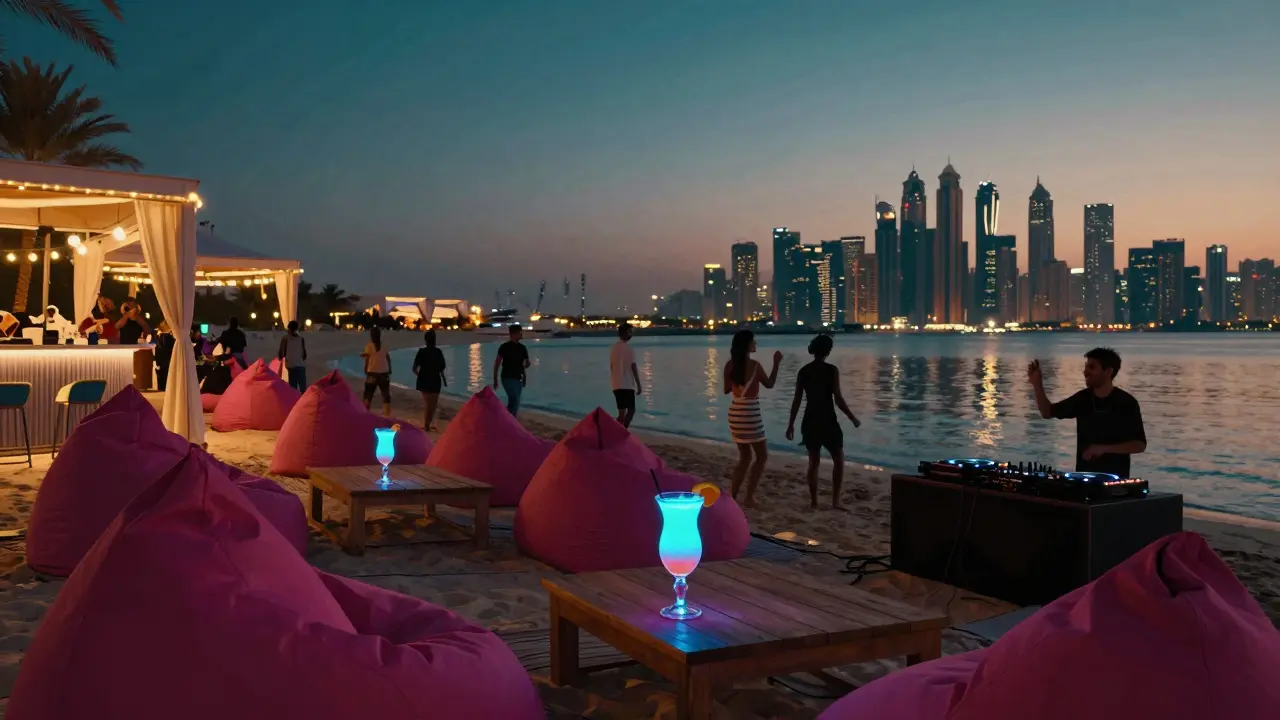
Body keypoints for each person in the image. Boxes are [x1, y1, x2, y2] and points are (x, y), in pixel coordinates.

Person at [1029, 347, 1147, 478]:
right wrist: (1037, 384)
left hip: (1115, 482)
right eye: (1086, 367)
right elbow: (1047, 412)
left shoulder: (1126, 402)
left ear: (1108, 371)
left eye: (1092, 367)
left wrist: (1102, 449)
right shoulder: (1082, 398)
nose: (1085, 372)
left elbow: (1139, 445)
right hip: (1083, 478)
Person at [785, 334, 861, 510]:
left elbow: (797, 400)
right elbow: (838, 400)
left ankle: (814, 502)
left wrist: (790, 424)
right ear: (828, 351)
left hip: (810, 419)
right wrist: (852, 418)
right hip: (827, 419)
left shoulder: (803, 371)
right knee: (839, 459)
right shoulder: (831, 370)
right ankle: (835, 501)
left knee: (814, 462)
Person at [723, 330, 782, 508]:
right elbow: (770, 384)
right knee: (762, 456)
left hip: (735, 411)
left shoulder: (729, 365)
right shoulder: (755, 366)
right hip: (750, 412)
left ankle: (732, 495)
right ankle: (748, 497)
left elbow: (727, 389)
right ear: (747, 345)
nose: (755, 344)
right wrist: (776, 363)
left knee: (745, 457)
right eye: (753, 342)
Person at [609, 323, 643, 428]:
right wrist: (638, 384)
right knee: (631, 410)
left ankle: (616, 430)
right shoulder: (629, 349)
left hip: (616, 384)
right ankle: (623, 429)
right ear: (625, 333)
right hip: (627, 384)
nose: (631, 334)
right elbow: (633, 367)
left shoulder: (613, 348)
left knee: (621, 412)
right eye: (630, 332)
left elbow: (612, 367)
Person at [412, 330, 447, 430]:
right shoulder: (438, 352)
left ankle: (427, 424)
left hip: (424, 380)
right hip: (435, 380)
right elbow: (442, 368)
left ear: (425, 340)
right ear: (434, 340)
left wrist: (420, 375)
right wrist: (444, 380)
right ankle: (427, 424)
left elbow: (414, 368)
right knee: (433, 404)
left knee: (428, 403)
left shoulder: (421, 352)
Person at [492, 324, 530, 416]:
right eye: (519, 332)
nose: (521, 334)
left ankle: (509, 420)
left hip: (518, 378)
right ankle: (507, 418)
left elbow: (524, 364)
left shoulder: (522, 348)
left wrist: (524, 376)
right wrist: (495, 380)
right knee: (515, 400)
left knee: (514, 402)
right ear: (513, 334)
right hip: (507, 377)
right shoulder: (504, 347)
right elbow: (497, 364)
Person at [361, 326, 392, 416]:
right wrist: (390, 368)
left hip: (372, 372)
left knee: (368, 394)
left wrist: (366, 368)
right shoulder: (384, 345)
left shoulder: (369, 346)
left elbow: (367, 358)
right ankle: (387, 414)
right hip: (383, 372)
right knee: (385, 395)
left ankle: (366, 413)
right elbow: (387, 357)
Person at [278, 320, 308, 393]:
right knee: (302, 387)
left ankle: (294, 400)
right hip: (300, 364)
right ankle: (303, 401)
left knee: (293, 386)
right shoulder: (301, 338)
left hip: (290, 365)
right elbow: (304, 354)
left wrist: (281, 358)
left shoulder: (285, 338)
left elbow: (282, 352)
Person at [153, 322, 176, 392]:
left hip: (165, 361)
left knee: (163, 379)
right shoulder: (166, 337)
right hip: (164, 361)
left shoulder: (167, 337)